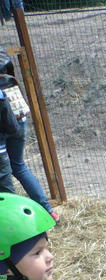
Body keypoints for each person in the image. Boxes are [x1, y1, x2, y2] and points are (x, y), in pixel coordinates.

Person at [0, 46, 58, 221]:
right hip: (17, 115)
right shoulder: (2, 52)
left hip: (3, 122)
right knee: (18, 165)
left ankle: (14, 220)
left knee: (5, 173)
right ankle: (49, 211)